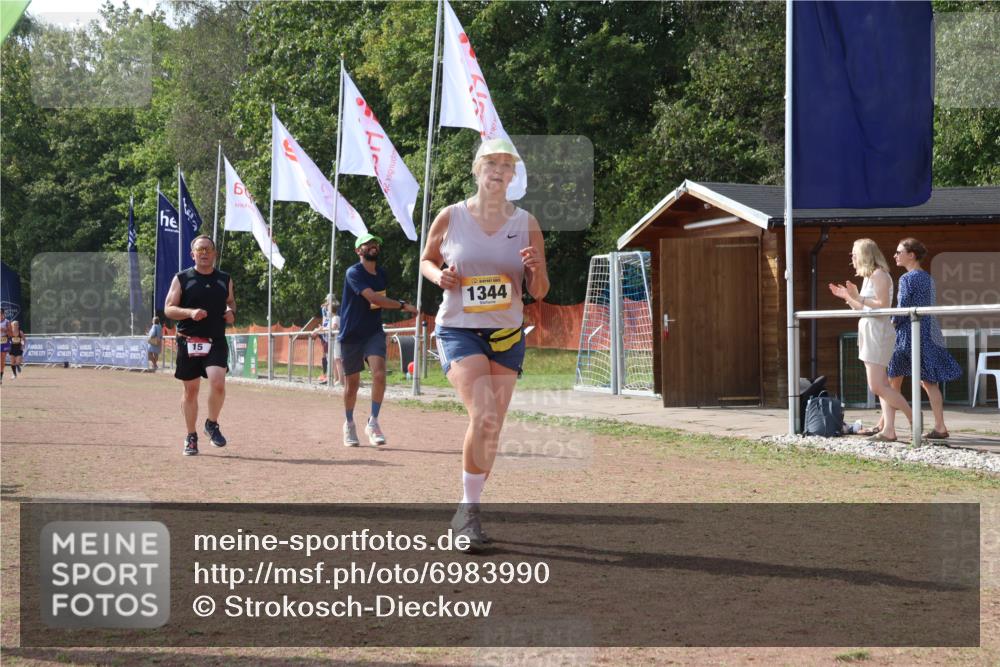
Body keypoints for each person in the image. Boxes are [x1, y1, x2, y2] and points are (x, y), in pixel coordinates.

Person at [420, 138, 549, 551]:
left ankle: (466, 509)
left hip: (508, 335)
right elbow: (426, 259)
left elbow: (541, 291)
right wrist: (439, 277)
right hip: (459, 330)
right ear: (476, 170)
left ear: (514, 176)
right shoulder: (451, 216)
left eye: (506, 165)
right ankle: (468, 513)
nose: (498, 170)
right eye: (490, 163)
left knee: (491, 426)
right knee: (485, 413)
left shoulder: (527, 223)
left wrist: (533, 270)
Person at [338, 232, 418, 447]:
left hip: (373, 332)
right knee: (352, 384)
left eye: (375, 243)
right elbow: (373, 298)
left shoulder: (381, 274)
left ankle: (373, 422)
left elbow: (378, 302)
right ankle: (349, 423)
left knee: (380, 375)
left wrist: (396, 305)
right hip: (351, 334)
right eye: (367, 243)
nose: (373, 246)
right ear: (358, 251)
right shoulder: (353, 272)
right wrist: (402, 305)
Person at [829, 238, 912, 442]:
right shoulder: (869, 277)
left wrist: (859, 298)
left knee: (877, 386)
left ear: (865, 254)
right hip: (869, 329)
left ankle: (914, 418)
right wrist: (848, 297)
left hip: (878, 331)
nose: (852, 258)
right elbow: (863, 308)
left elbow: (882, 304)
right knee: (883, 384)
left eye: (854, 254)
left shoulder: (879, 275)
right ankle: (889, 430)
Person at [164, 235, 236, 456]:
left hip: (215, 340)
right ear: (192, 254)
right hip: (189, 341)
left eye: (208, 249)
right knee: (191, 390)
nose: (204, 253)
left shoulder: (225, 279)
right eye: (200, 249)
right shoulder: (182, 278)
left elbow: (230, 301)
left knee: (218, 383)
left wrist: (231, 311)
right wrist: (190, 312)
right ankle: (191, 436)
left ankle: (211, 424)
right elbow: (168, 308)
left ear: (214, 253)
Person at [885, 238, 962, 440]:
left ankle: (888, 427)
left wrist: (890, 325)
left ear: (911, 255)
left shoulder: (906, 279)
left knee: (892, 381)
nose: (895, 255)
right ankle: (940, 426)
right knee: (929, 382)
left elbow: (902, 309)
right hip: (928, 332)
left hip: (908, 333)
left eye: (899, 251)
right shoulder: (928, 278)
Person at [314, 295, 344, 386]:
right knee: (335, 360)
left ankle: (341, 380)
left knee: (337, 359)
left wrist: (321, 329)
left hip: (336, 340)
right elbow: (328, 327)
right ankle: (337, 378)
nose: (327, 310)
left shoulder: (336, 318)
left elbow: (333, 327)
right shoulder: (332, 318)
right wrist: (321, 329)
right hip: (333, 340)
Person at [0, 308, 9, 384]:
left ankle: (0, 378)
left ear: (3, 314)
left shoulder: (7, 322)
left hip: (4, 341)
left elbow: (11, 334)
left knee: (2, 360)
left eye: (0, 313)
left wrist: (4, 330)